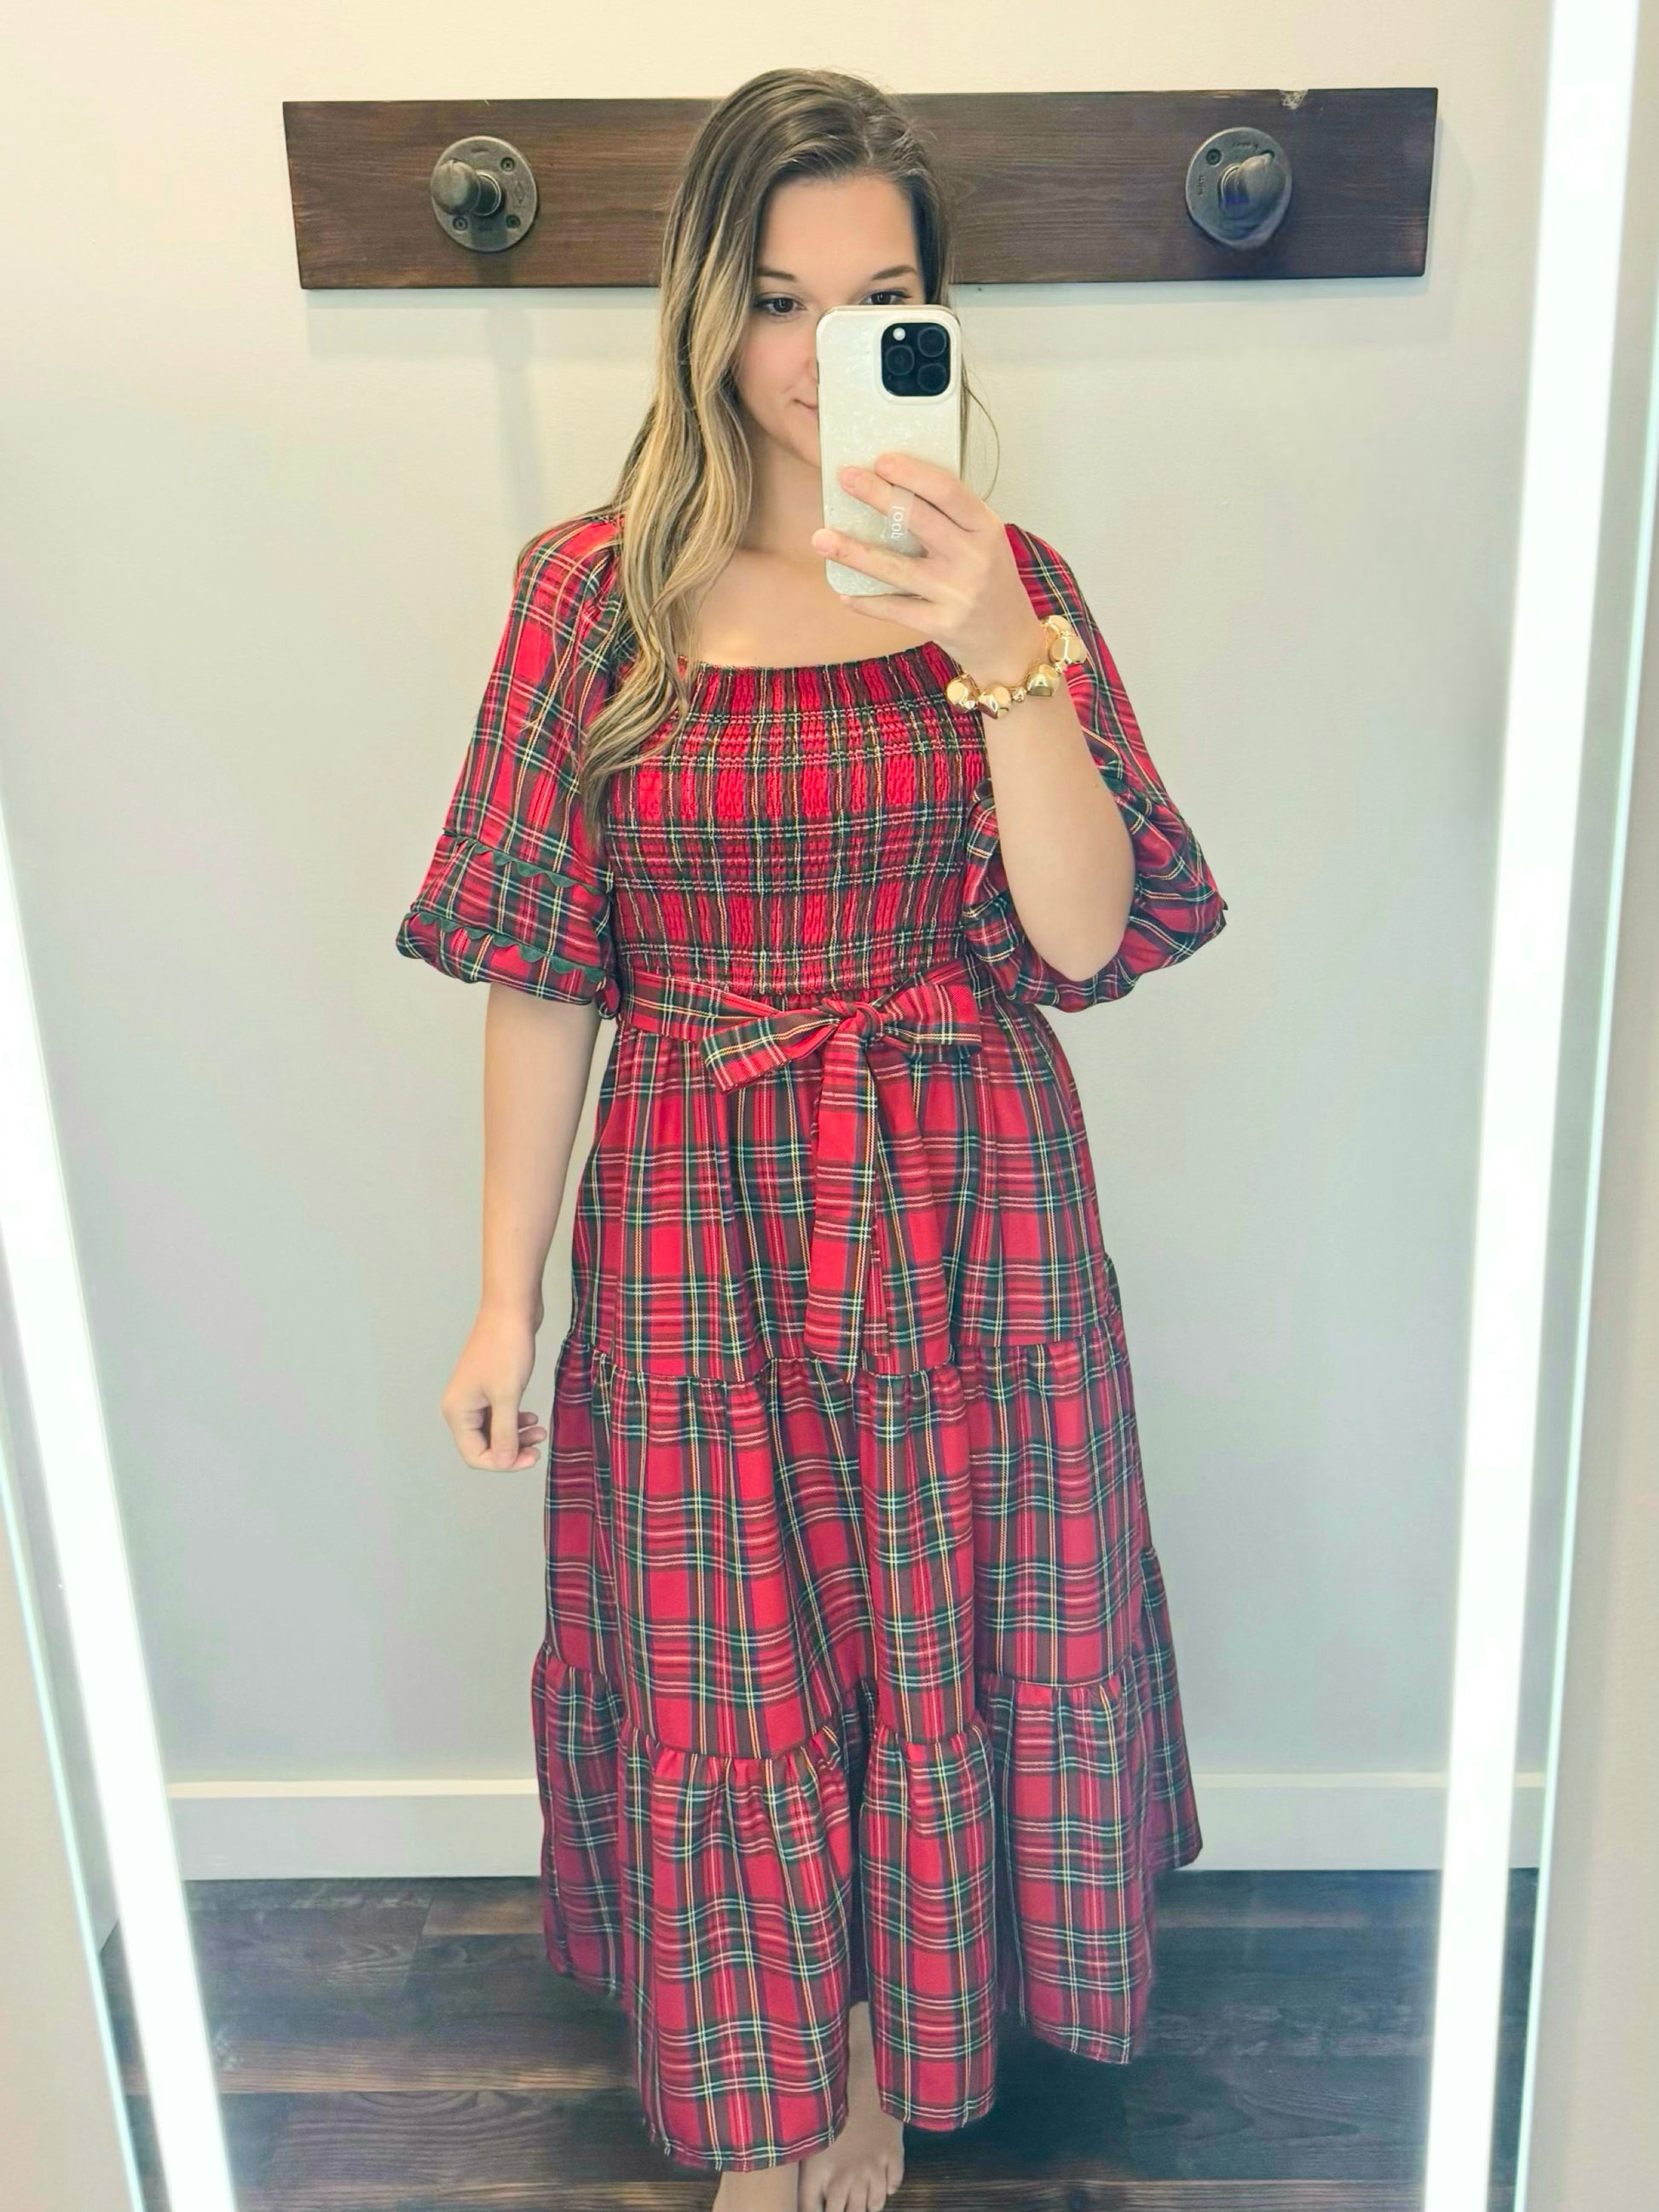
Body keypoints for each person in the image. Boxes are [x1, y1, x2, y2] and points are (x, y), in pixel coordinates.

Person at [396, 65, 1227, 2212]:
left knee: (943, 1632)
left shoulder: (1009, 581)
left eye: (877, 304)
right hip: (696, 1209)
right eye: (777, 298)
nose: (814, 352)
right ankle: (774, 2073)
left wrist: (998, 653)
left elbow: (1084, 934)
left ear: (933, 322)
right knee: (735, 1654)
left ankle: (876, 2063)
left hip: (969, 1206)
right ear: (703, 303)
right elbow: (540, 961)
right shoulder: (588, 592)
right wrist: (501, 1291)